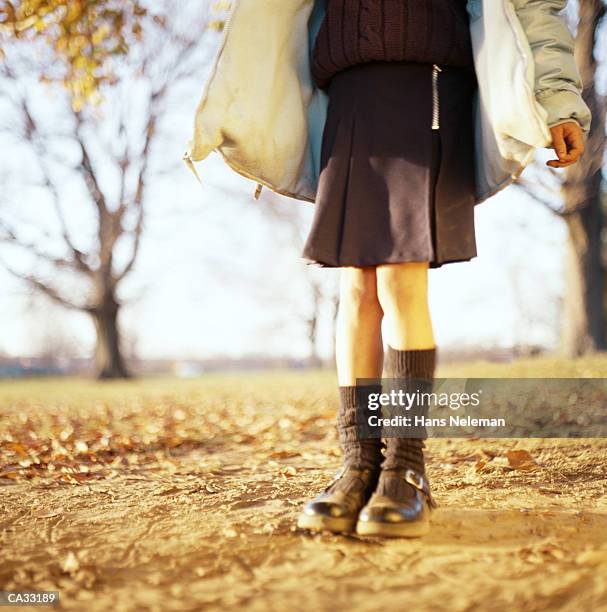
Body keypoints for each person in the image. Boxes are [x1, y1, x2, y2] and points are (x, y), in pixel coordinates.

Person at [296, 0, 590, 538]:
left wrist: (558, 101)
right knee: (356, 284)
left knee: (398, 275)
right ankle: (358, 464)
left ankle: (406, 467)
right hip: (348, 97)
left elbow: (536, 9)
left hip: (425, 88)